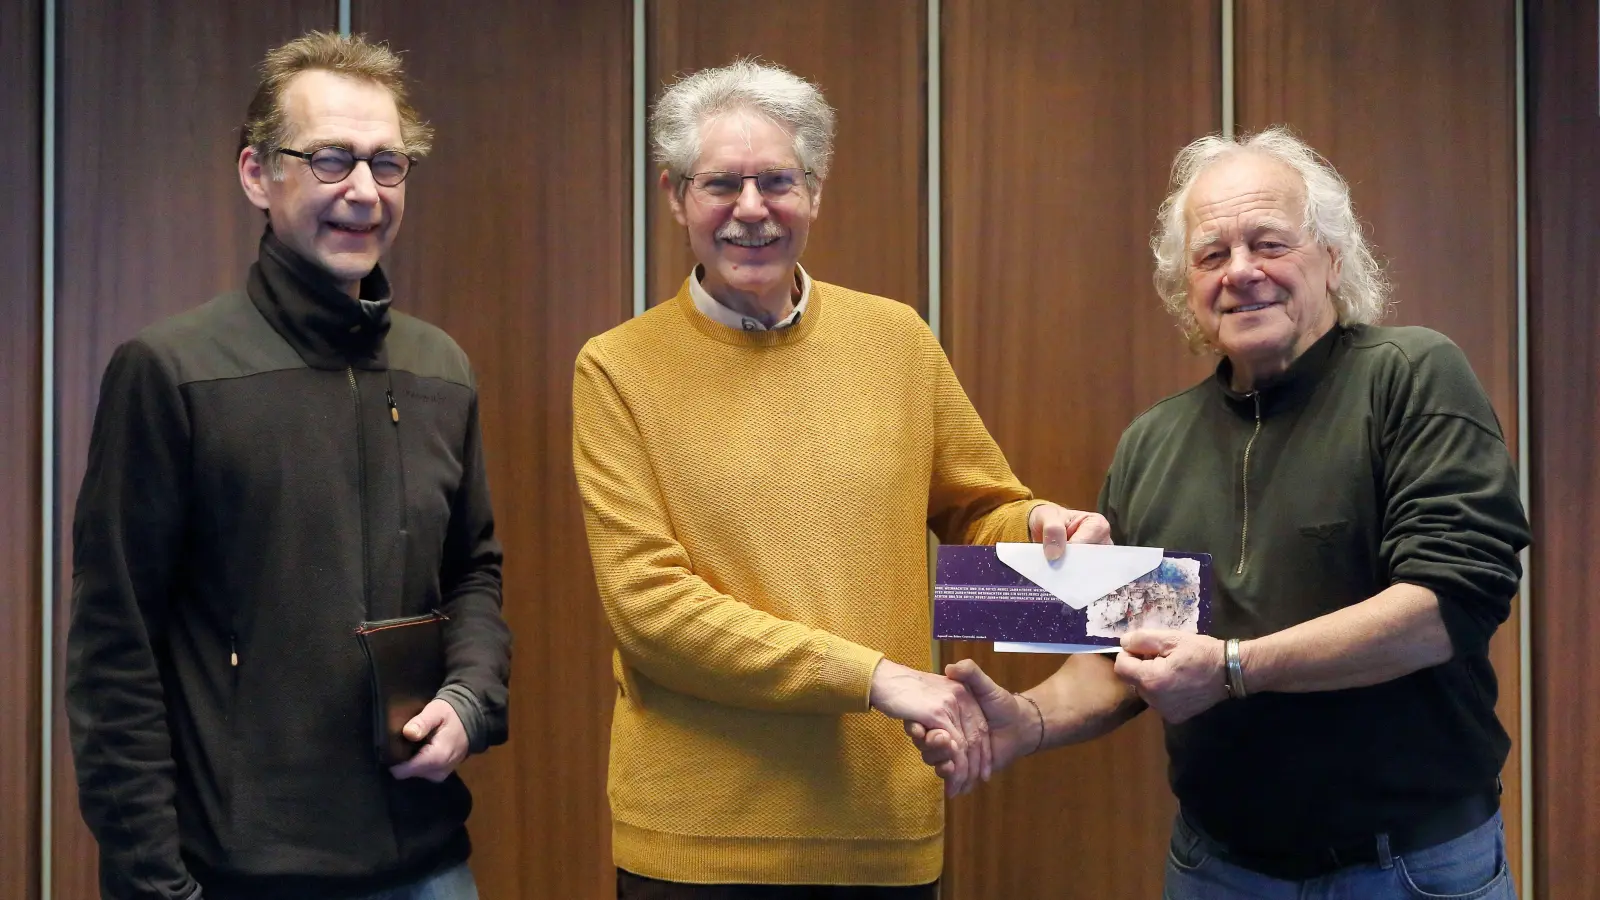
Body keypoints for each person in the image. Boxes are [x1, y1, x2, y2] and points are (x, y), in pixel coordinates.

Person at [909, 127, 1529, 899]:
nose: (1241, 272)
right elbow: (1115, 659)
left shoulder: (1412, 376)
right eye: (1211, 255)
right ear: (1186, 289)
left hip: (1411, 868)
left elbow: (1450, 604)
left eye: (1268, 242)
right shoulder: (1153, 441)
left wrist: (1235, 668)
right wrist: (1025, 723)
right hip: (1219, 869)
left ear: (1333, 258)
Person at [571, 58, 1106, 898]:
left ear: (814, 193)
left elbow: (978, 515)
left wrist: (1051, 537)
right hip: (699, 846)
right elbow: (650, 611)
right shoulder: (617, 368)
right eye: (722, 184)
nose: (752, 208)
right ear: (676, 197)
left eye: (777, 180)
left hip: (883, 832)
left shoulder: (895, 339)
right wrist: (875, 678)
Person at [66, 32, 510, 900]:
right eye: (331, 158)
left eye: (388, 165)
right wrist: (154, 883)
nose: (362, 190)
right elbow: (115, 652)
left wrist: (470, 700)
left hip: (428, 867)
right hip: (237, 877)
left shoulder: (440, 369)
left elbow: (474, 574)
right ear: (257, 174)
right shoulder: (170, 371)